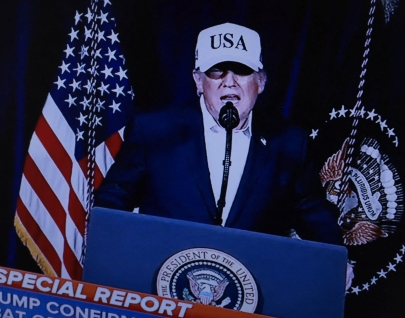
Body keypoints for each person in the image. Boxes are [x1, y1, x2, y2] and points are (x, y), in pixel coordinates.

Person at [95, 22, 342, 245]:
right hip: (163, 276)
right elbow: (114, 199)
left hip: (250, 280)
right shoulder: (155, 130)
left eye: (242, 70)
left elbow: (312, 211)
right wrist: (113, 246)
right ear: (198, 81)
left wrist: (336, 259)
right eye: (217, 71)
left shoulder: (289, 142)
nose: (229, 81)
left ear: (261, 82)